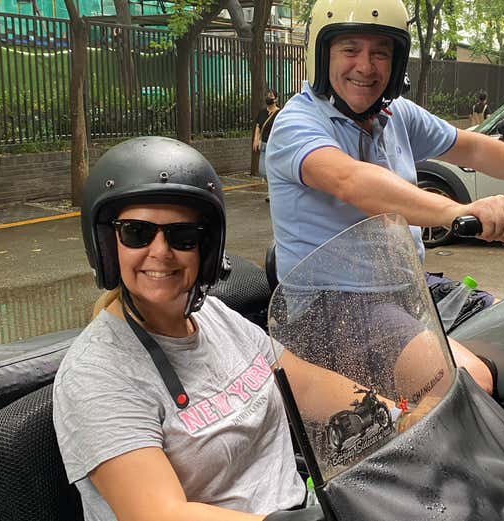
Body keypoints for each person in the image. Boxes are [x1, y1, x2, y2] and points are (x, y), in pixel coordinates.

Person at [265, 0, 504, 394]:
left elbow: (473, 148)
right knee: (468, 383)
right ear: (321, 55)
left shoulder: (395, 114)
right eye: (350, 49)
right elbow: (353, 181)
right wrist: (460, 211)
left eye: (380, 53)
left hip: (405, 289)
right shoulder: (296, 123)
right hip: (329, 307)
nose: (365, 66)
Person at [53, 136, 340, 521]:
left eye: (183, 236)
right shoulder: (96, 374)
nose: (160, 251)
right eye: (136, 232)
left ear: (206, 250)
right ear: (107, 246)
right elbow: (162, 514)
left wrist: (401, 415)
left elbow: (310, 387)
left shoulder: (218, 317)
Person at [253, 88, 281, 201]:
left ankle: (271, 193)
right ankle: (274, 190)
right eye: (267, 96)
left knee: (272, 170)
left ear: (276, 99)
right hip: (264, 145)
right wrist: (256, 139)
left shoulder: (280, 113)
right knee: (262, 171)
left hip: (274, 145)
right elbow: (258, 126)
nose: (268, 98)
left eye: (271, 96)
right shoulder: (262, 112)